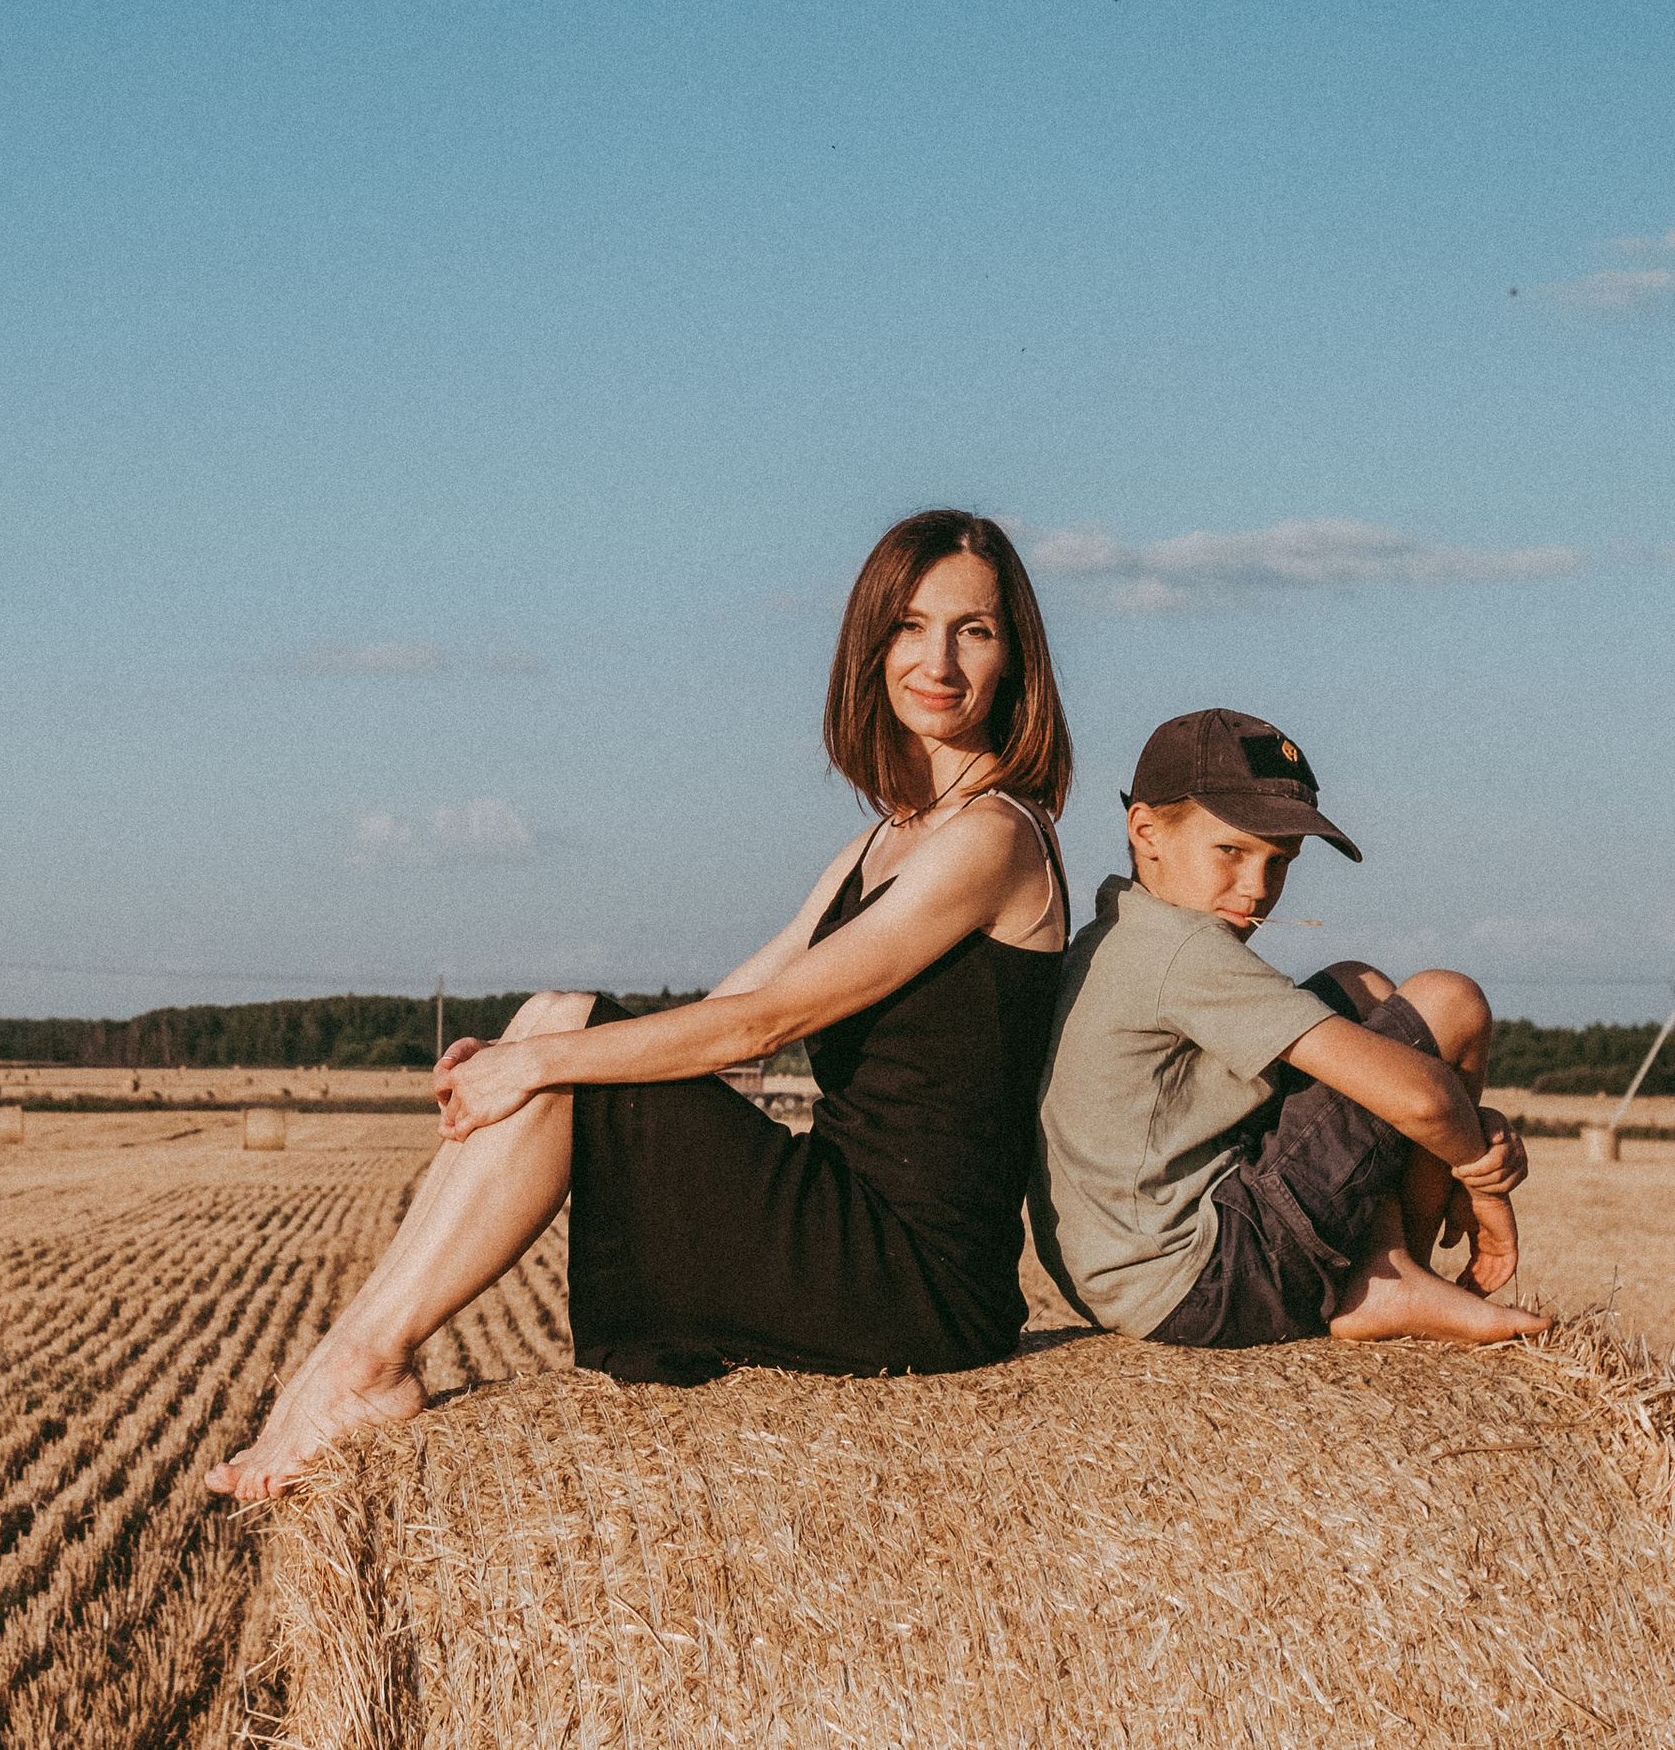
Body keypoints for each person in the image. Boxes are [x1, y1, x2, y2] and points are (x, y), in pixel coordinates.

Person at [207, 509, 1075, 1504]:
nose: (939, 659)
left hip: (912, 1277)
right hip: (846, 1222)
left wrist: (544, 1065)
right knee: (556, 1017)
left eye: (974, 630)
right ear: (870, 645)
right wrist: (534, 1051)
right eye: (910, 626)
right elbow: (730, 1007)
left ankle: (363, 1364)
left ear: (1015, 659)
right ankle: (353, 1356)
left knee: (565, 1038)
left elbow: (767, 1026)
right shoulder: (886, 841)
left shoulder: (993, 837)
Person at [1029, 708, 1548, 1349]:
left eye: (1280, 861)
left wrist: (1453, 1127)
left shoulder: (1122, 932)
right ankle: (1391, 1275)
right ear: (1146, 830)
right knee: (1451, 1001)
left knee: (1361, 984)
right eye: (1232, 850)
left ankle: (1389, 1273)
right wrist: (1480, 1172)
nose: (1257, 889)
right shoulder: (1182, 951)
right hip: (1206, 1276)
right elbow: (1422, 1099)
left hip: (1134, 1277)